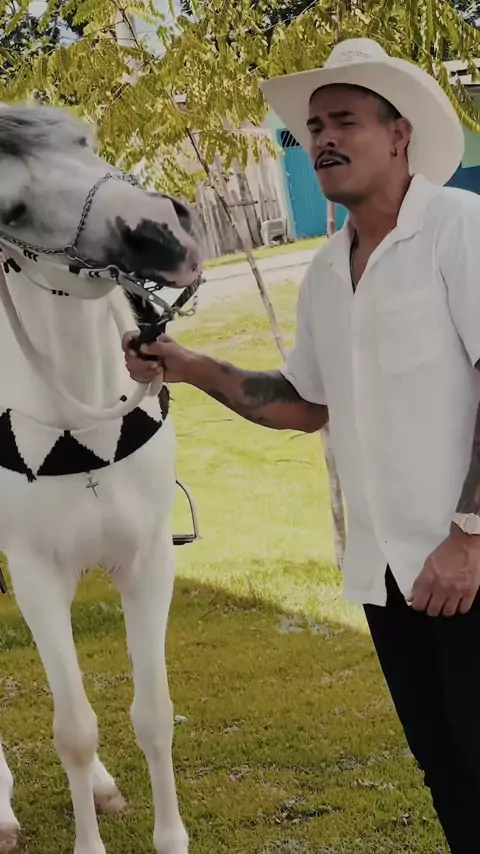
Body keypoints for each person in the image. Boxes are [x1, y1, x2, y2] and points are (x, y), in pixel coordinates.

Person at [124, 38, 480, 853]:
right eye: (312, 127)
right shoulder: (325, 272)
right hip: (389, 572)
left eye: (344, 120)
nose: (322, 139)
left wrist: (470, 535)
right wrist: (189, 364)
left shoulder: (460, 230)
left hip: (466, 564)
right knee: (446, 769)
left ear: (399, 134)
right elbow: (305, 402)